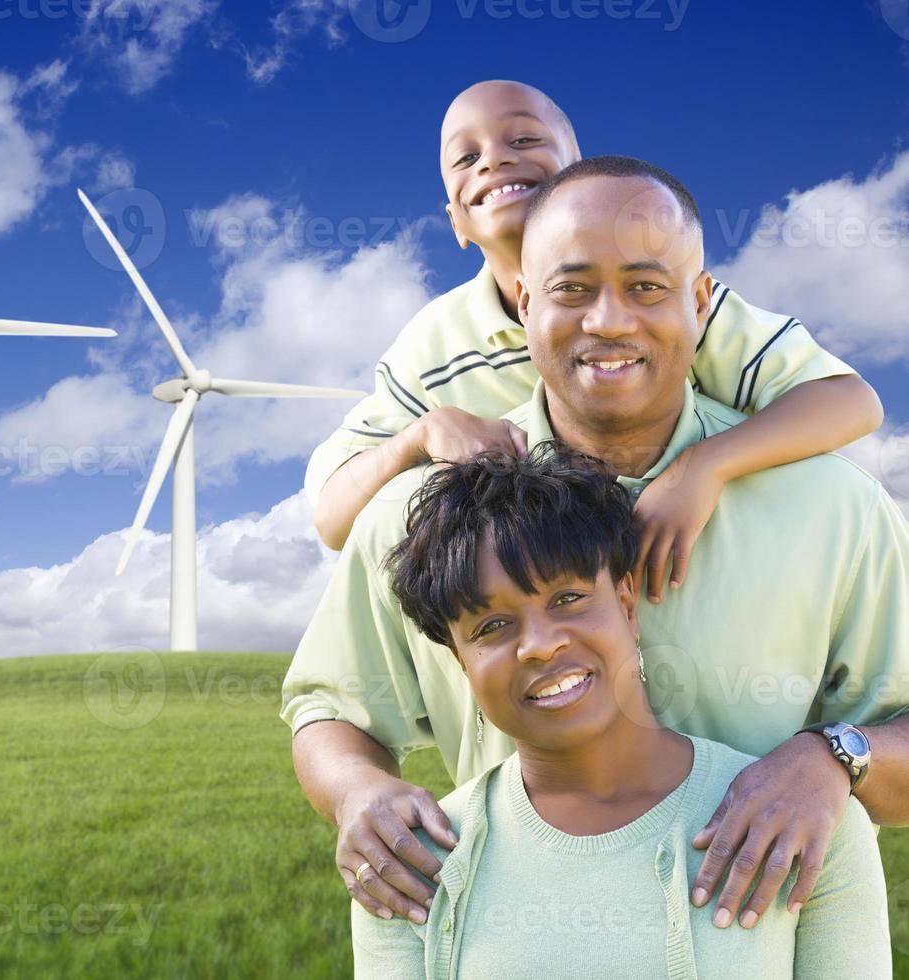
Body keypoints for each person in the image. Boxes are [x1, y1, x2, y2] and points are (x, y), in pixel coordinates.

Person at [280, 156, 909, 938]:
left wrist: (833, 756)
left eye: (646, 287)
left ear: (700, 301)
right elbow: (330, 708)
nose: (607, 320)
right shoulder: (417, 516)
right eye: (571, 289)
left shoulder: (832, 507)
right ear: (522, 300)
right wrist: (355, 794)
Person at [306, 80, 882, 616]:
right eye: (465, 156)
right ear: (456, 221)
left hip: (699, 577)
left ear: (579, 179)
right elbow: (334, 521)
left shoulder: (673, 307)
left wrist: (702, 467)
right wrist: (422, 434)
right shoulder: (434, 344)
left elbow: (849, 401)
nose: (494, 159)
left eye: (524, 138)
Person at [348, 445, 891, 978]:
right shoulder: (405, 860)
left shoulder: (805, 817)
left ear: (627, 607)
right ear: (461, 663)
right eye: (490, 627)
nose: (538, 645)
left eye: (567, 599)